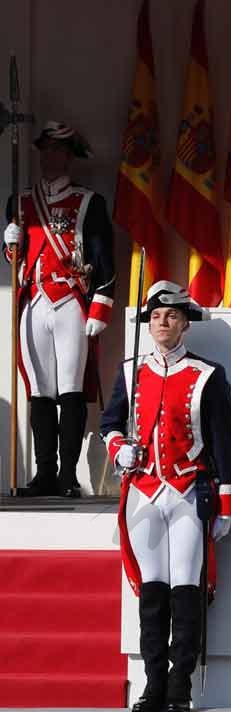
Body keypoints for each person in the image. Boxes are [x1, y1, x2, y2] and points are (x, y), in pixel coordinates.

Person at [100, 281, 231, 712]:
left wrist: (229, 501)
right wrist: (118, 446)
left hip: (187, 491)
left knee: (186, 587)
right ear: (149, 323)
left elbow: (225, 441)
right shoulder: (130, 370)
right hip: (143, 489)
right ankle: (153, 682)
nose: (164, 323)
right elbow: (110, 422)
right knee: (152, 592)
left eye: (172, 316)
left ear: (185, 323)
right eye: (157, 316)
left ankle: (181, 685)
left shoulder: (206, 374)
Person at [3, 120, 115, 497]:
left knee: (69, 389)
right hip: (34, 301)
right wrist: (9, 243)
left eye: (57, 151)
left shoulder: (87, 202)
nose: (49, 157)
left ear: (69, 157)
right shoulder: (19, 203)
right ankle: (44, 473)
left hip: (70, 301)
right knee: (39, 390)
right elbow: (16, 262)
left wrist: (100, 306)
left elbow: (103, 258)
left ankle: (68, 474)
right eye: (45, 150)